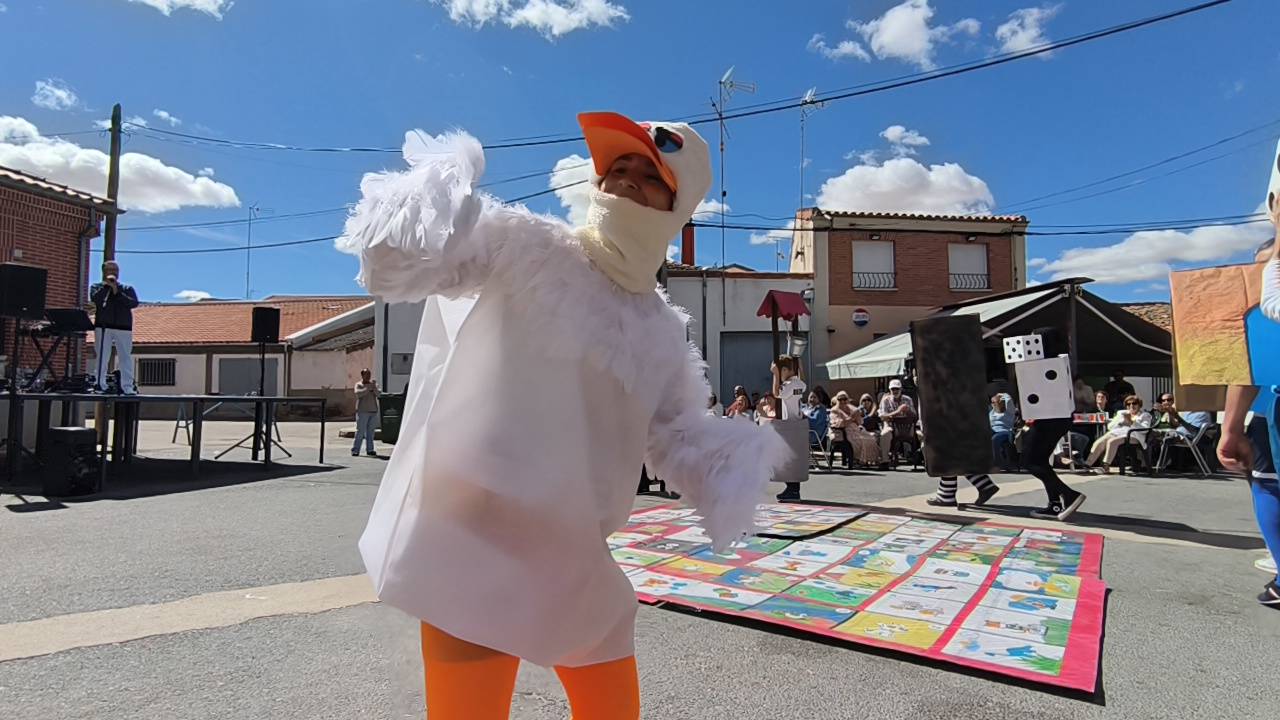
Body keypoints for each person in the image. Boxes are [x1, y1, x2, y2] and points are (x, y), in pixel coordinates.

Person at [344, 113, 790, 718]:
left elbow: (675, 435)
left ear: (679, 203)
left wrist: (737, 464)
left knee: (612, 703)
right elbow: (398, 265)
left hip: (575, 553)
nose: (625, 180)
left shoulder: (662, 328)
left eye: (648, 174)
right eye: (616, 168)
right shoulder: (524, 244)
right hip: (471, 538)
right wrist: (431, 197)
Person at [1218, 225, 1280, 604]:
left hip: (1272, 410)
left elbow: (1246, 370)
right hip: (1265, 413)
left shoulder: (1263, 313)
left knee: (1268, 485)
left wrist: (1230, 428)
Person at [1017, 327, 1087, 520]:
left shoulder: (1045, 365)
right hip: (1057, 419)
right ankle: (1054, 504)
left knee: (1030, 461)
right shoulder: (1058, 362)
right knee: (1040, 461)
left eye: (1034, 340)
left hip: (1049, 420)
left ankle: (1069, 495)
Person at [90, 260, 140, 395]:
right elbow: (96, 299)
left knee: (125, 357)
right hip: (103, 327)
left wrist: (116, 291)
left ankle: (127, 386)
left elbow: (133, 303)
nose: (113, 273)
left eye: (115, 270)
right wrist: (107, 287)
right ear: (104, 272)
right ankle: (100, 384)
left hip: (123, 327)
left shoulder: (127, 288)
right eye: (110, 270)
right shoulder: (96, 287)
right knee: (102, 356)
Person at [772, 355, 809, 501]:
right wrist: (800, 368)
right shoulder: (798, 383)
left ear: (785, 370)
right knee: (793, 458)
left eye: (780, 371)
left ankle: (793, 490)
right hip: (797, 423)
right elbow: (804, 383)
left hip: (790, 425)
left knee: (789, 459)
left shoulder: (789, 385)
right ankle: (793, 489)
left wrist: (775, 375)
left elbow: (777, 394)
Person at [1085, 395, 1152, 471]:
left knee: (1112, 442)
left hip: (1134, 436)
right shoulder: (1122, 413)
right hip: (1117, 433)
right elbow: (1110, 427)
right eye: (1128, 404)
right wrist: (1119, 422)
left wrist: (1132, 422)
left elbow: (1145, 429)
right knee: (1100, 441)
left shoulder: (1145, 415)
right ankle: (1088, 464)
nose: (1131, 406)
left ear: (1139, 405)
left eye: (1134, 403)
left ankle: (1106, 466)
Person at [878, 378, 916, 465]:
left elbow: (914, 415)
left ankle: (912, 456)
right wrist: (897, 412)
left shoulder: (908, 399)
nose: (895, 391)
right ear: (890, 390)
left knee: (920, 434)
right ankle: (885, 460)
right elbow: (882, 416)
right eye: (893, 389)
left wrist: (908, 411)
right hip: (891, 425)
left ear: (901, 389)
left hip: (907, 426)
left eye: (897, 389)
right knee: (885, 434)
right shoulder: (885, 400)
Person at [351, 369, 380, 457]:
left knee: (370, 432)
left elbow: (379, 394)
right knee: (360, 431)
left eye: (369, 374)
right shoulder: (359, 385)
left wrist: (374, 388)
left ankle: (370, 449)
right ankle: (356, 450)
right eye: (366, 374)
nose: (368, 376)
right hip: (362, 411)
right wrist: (367, 389)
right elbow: (358, 394)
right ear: (362, 375)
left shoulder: (373, 385)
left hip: (373, 411)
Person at [989, 392, 1018, 472]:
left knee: (994, 439)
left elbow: (1009, 400)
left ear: (1000, 402)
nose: (992, 404)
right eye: (992, 402)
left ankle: (998, 463)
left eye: (994, 402)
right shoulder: (992, 412)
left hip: (1005, 432)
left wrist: (1002, 394)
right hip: (993, 431)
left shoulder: (1009, 411)